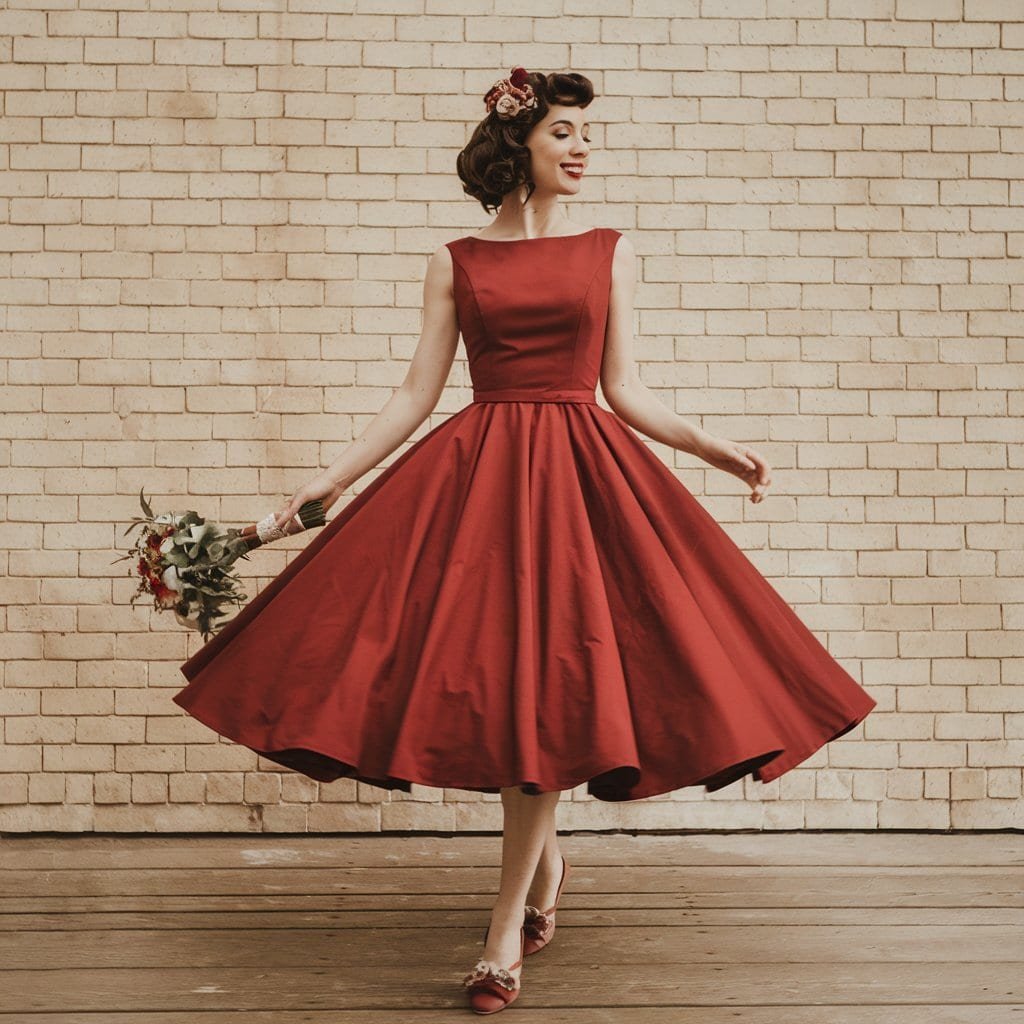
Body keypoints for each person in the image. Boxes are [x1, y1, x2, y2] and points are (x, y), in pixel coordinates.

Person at [171, 67, 877, 1015]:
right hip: (480, 481)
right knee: (513, 688)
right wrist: (330, 479)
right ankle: (542, 884)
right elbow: (416, 396)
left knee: (547, 691)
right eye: (565, 134)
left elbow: (623, 388)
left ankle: (505, 927)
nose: (584, 149)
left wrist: (712, 447)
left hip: (583, 480)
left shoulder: (608, 252)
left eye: (589, 134)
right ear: (521, 148)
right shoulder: (455, 261)